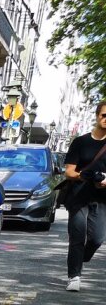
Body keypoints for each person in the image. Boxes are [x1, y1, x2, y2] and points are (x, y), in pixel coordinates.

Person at [62, 99, 106, 291]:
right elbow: (69, 172)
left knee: (97, 238)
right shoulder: (81, 142)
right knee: (77, 235)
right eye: (104, 115)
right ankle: (74, 276)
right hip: (78, 196)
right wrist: (85, 176)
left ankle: (82, 257)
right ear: (97, 116)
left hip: (102, 197)